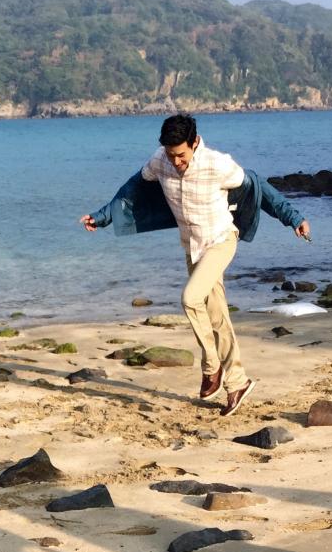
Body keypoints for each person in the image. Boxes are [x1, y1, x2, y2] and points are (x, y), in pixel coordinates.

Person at [81, 113, 310, 417]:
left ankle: (211, 365)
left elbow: (259, 187)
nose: (175, 162)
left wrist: (293, 218)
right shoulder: (160, 161)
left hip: (221, 240)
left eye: (181, 155)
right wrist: (102, 216)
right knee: (217, 317)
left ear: (194, 142)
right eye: (170, 155)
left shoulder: (218, 164)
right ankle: (237, 383)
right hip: (193, 247)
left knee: (190, 298)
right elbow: (131, 188)